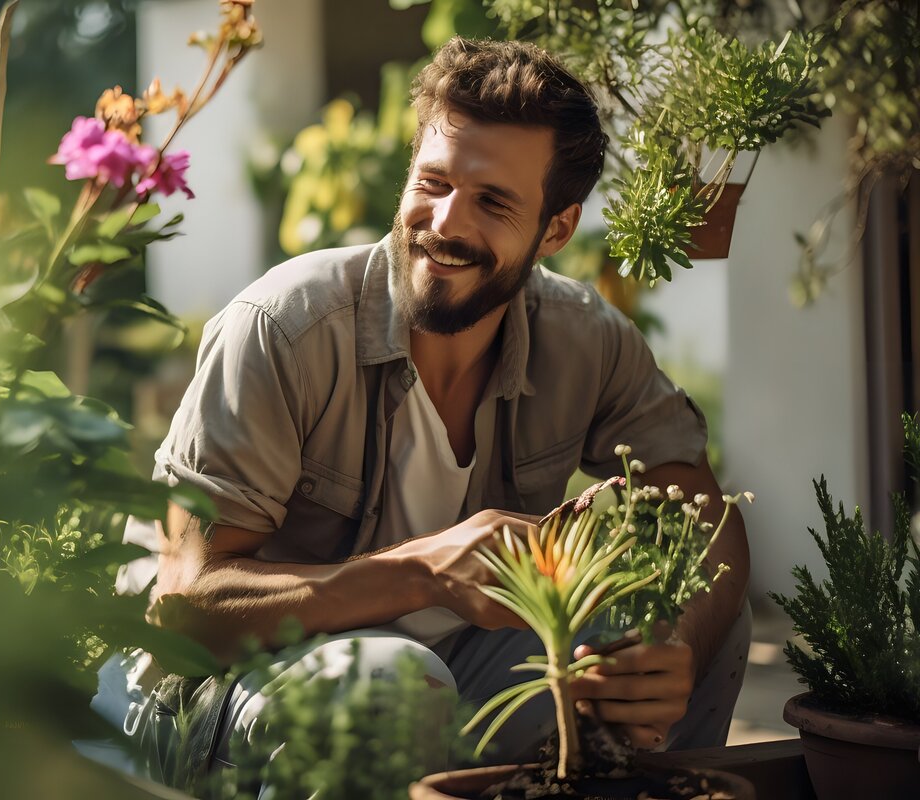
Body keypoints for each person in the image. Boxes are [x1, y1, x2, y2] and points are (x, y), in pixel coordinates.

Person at [89, 36, 750, 787]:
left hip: (441, 679)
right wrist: (423, 573)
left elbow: (707, 518)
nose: (444, 224)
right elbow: (186, 609)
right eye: (432, 183)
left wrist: (677, 648)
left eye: (493, 202)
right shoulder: (286, 326)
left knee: (687, 615)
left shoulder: (586, 338)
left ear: (556, 231)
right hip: (209, 695)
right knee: (394, 684)